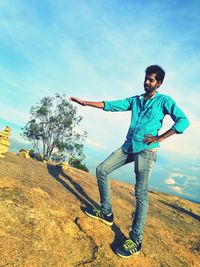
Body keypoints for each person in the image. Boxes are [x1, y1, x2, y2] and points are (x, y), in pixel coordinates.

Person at [69, 65, 189, 258]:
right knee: (102, 170)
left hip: (146, 151)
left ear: (159, 83)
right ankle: (106, 213)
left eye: (151, 80)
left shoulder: (164, 101)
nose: (147, 82)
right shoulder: (136, 100)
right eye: (146, 79)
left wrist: (160, 137)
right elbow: (112, 105)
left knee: (140, 193)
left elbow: (183, 121)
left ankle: (136, 240)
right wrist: (86, 103)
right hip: (129, 147)